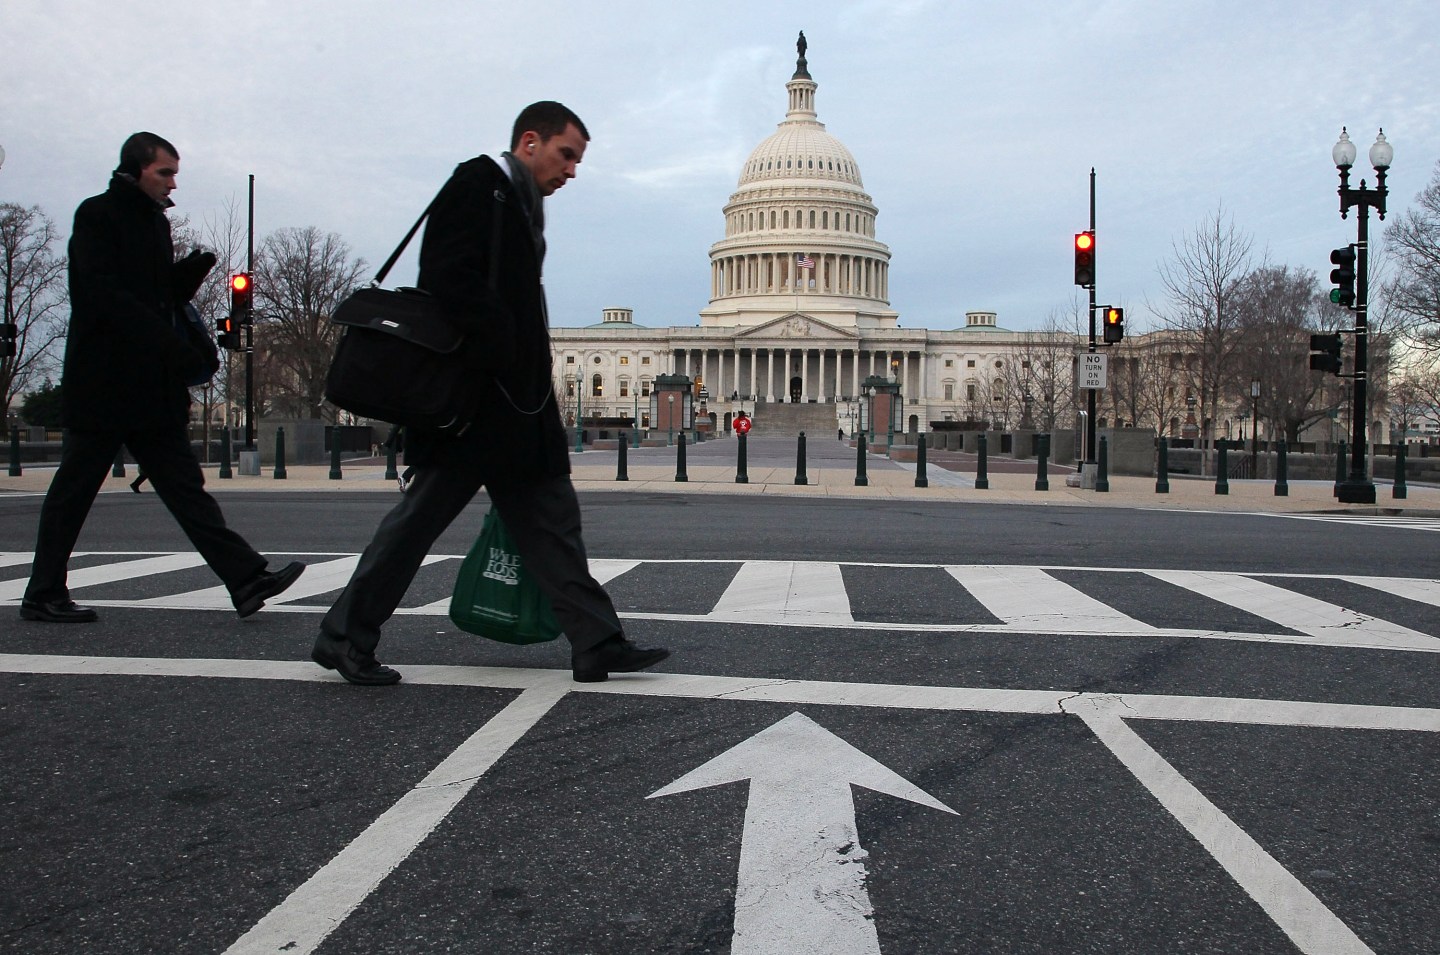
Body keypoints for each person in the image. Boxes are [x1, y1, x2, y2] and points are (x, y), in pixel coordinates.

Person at [313, 102, 669, 686]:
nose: (572, 171)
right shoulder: (477, 184)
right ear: (530, 142)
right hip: (473, 406)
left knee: (553, 524)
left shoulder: (521, 200)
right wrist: (503, 346)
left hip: (516, 406)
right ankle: (344, 635)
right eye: (566, 155)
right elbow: (447, 278)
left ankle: (597, 642)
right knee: (416, 525)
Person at [20, 132, 304, 624]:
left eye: (175, 174)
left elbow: (153, 295)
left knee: (184, 487)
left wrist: (189, 274)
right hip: (105, 382)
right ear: (137, 170)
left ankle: (245, 578)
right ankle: (43, 592)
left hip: (148, 386)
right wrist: (169, 344)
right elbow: (102, 296)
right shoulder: (97, 215)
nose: (173, 183)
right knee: (74, 490)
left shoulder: (154, 225)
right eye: (165, 173)